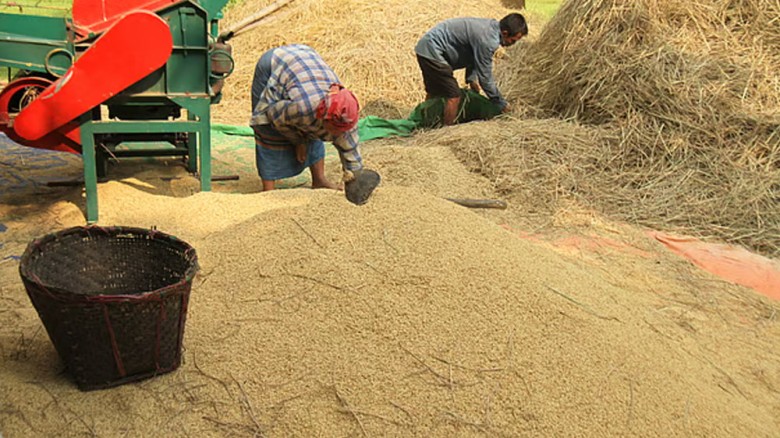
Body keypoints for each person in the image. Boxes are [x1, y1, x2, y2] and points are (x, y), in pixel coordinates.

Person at [250, 44, 379, 204]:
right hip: (276, 62)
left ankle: (319, 180)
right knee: (267, 129)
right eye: (334, 129)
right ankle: (268, 192)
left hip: (307, 61)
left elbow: (351, 152)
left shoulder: (347, 115)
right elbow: (273, 115)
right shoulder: (302, 108)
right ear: (323, 115)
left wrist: (354, 178)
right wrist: (298, 141)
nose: (337, 135)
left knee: (317, 130)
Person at [415, 13, 528, 125]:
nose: (512, 44)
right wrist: (501, 103)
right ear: (505, 33)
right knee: (454, 95)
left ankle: (426, 120)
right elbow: (486, 79)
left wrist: (471, 79)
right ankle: (445, 133)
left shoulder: (490, 27)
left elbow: (474, 53)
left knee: (434, 90)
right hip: (433, 51)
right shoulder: (489, 41)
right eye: (513, 40)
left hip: (425, 48)